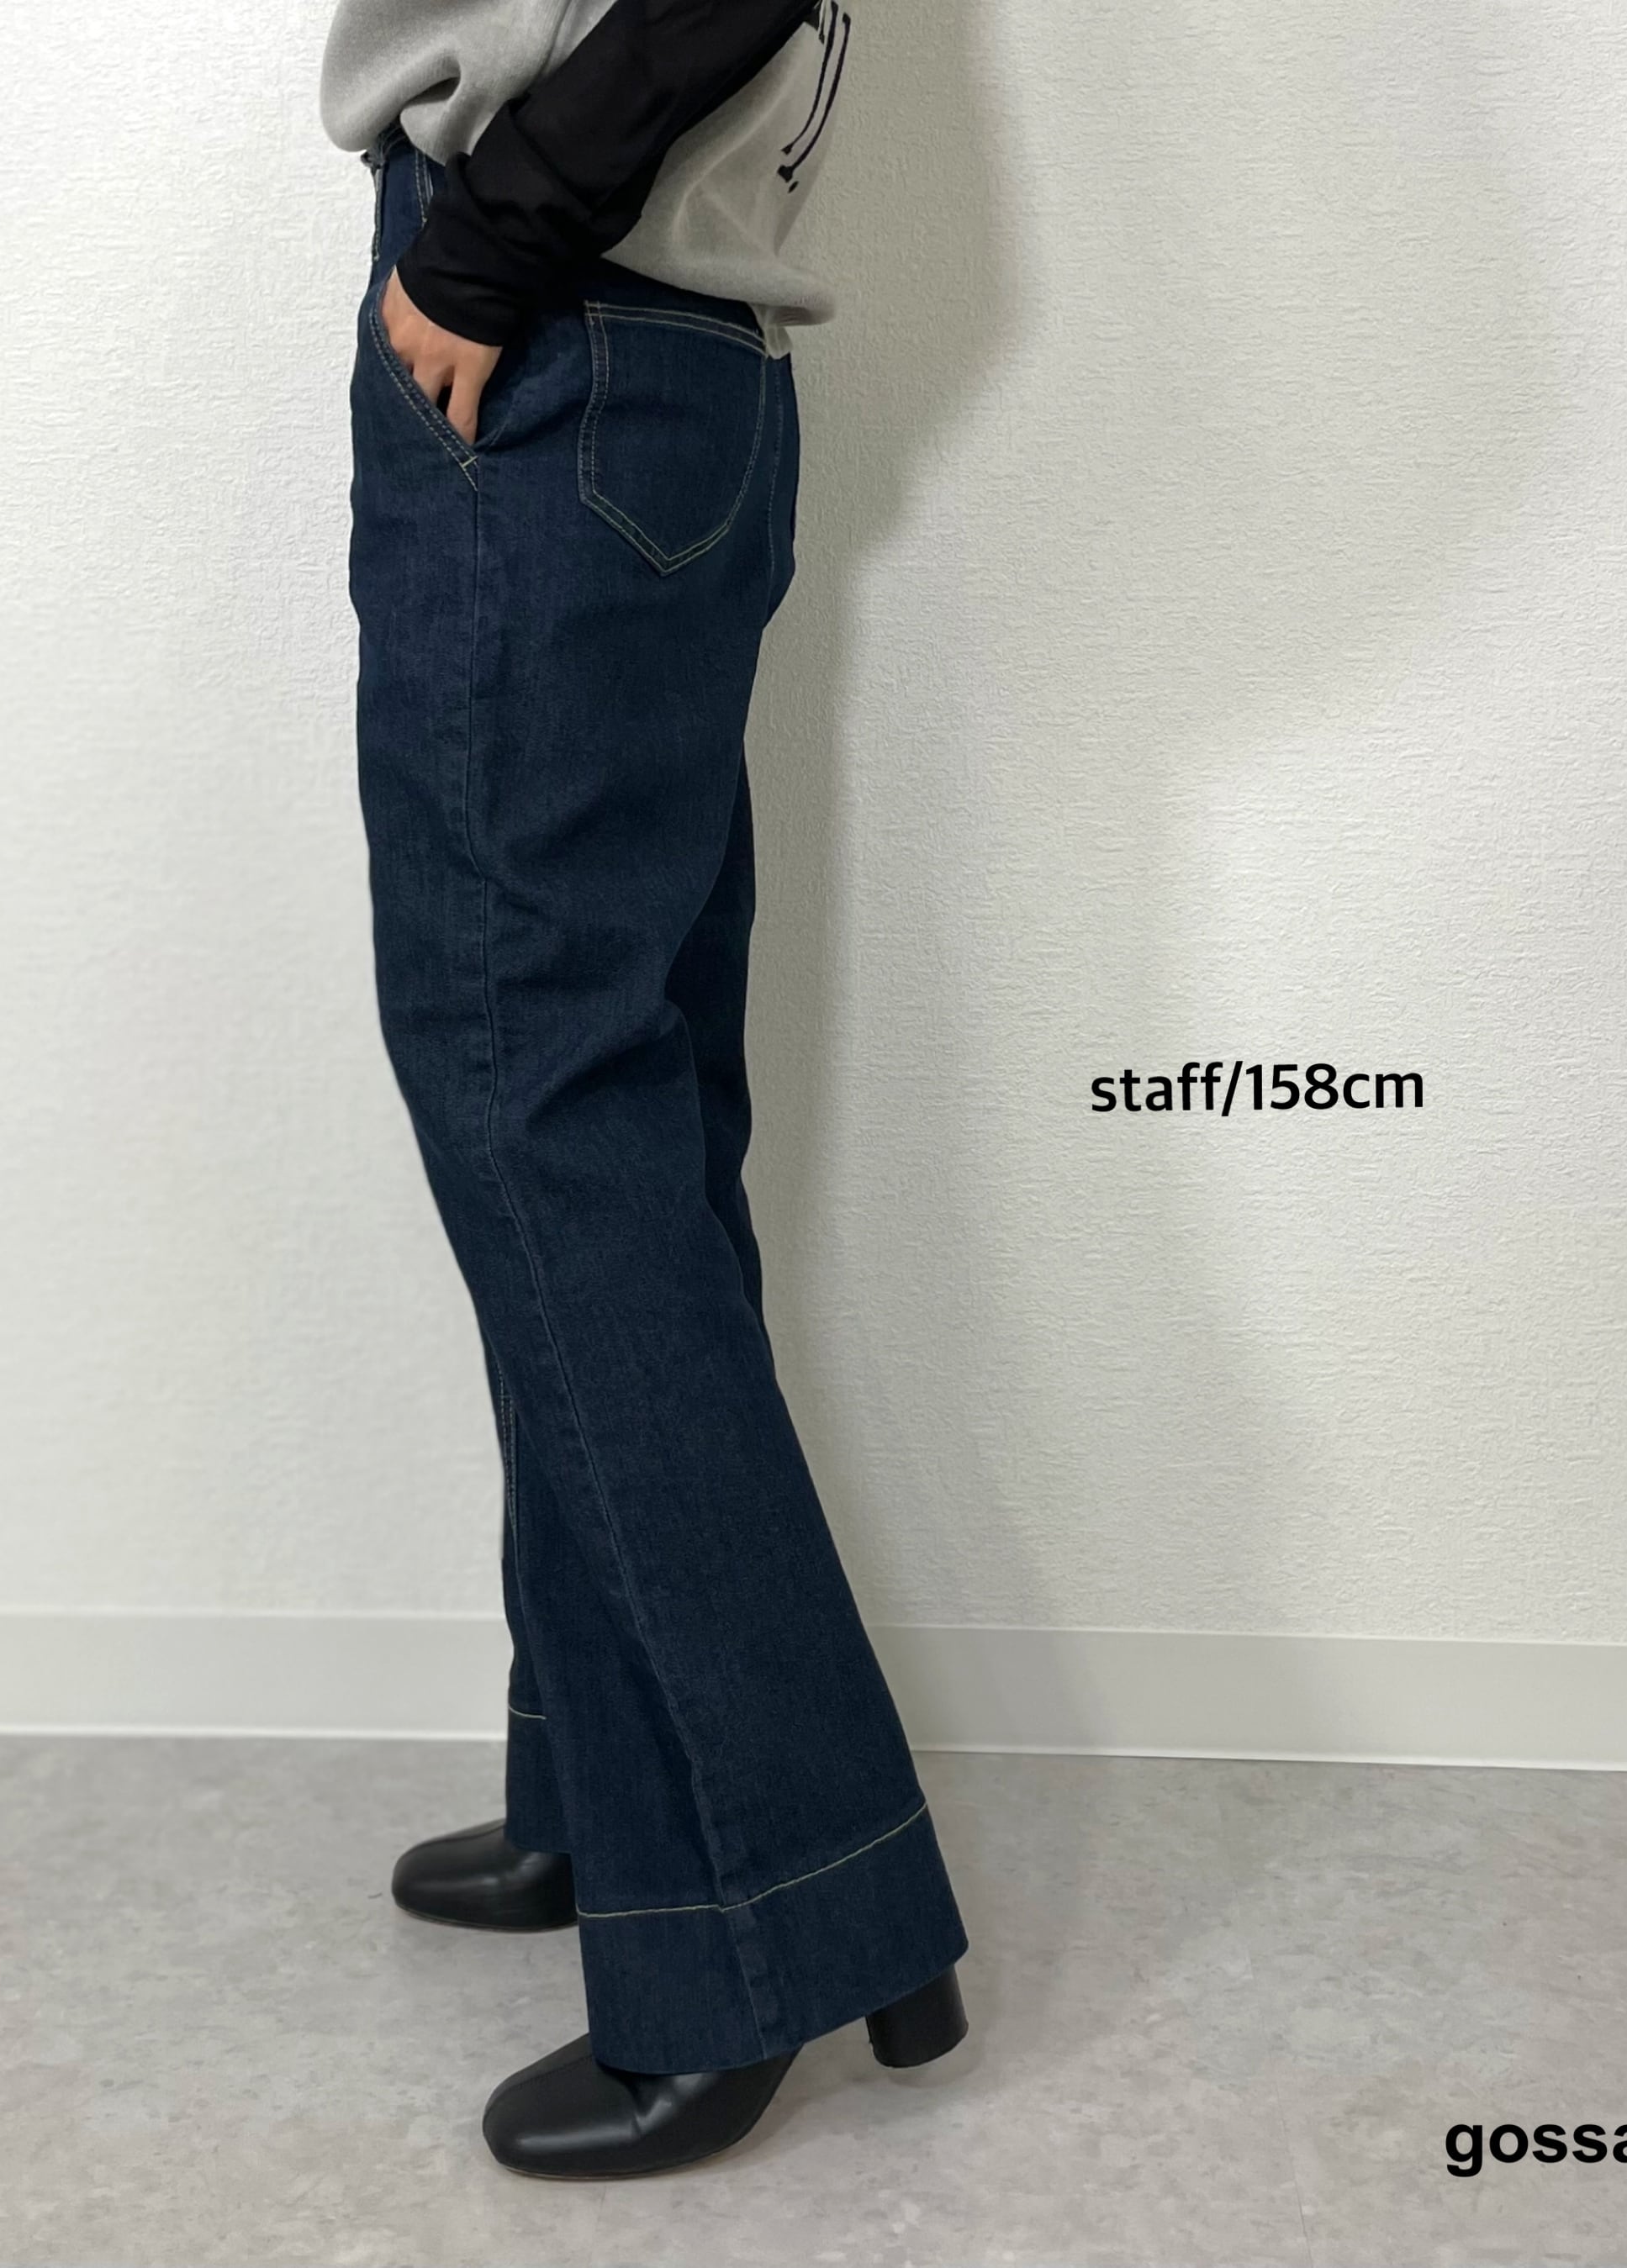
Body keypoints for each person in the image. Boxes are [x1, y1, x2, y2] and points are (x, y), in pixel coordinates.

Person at [320, 0, 970, 2179]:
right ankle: (621, 1796)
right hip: (663, 346)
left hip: (560, 317)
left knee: (543, 1105)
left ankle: (775, 1910)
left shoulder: (521, 241)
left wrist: (492, 233)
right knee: (624, 1115)